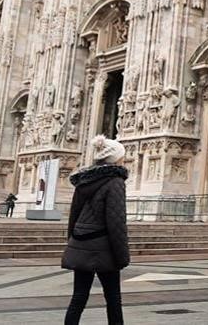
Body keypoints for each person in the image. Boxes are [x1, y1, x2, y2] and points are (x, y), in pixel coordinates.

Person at [62, 134, 130, 325]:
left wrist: (73, 244)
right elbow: (116, 223)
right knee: (113, 298)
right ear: (115, 158)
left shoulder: (84, 180)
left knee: (79, 297)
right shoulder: (115, 182)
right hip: (104, 248)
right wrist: (122, 256)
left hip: (80, 243)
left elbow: (73, 217)